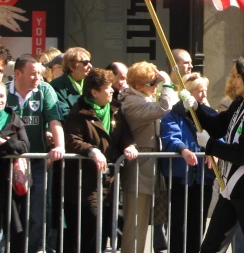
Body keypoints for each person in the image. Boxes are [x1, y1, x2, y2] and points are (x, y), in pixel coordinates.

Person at [189, 54, 244, 253]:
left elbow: (242, 154)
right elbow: (216, 126)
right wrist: (195, 108)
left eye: (238, 76)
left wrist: (210, 145)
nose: (233, 81)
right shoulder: (238, 105)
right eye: (233, 76)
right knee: (212, 245)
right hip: (230, 188)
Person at [63, 68, 138, 253]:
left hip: (109, 182)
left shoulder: (115, 109)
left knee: (104, 230)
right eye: (107, 88)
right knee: (88, 232)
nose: (112, 90)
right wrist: (92, 151)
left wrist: (129, 145)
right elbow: (73, 140)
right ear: (94, 92)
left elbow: (124, 135)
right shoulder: (79, 111)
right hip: (86, 183)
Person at [7, 54, 64, 253]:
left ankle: (35, 249)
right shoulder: (4, 91)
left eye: (39, 73)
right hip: (6, 162)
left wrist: (59, 146)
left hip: (37, 161)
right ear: (17, 73)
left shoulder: (44, 90)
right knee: (8, 211)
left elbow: (55, 120)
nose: (38, 78)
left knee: (37, 211)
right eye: (33, 74)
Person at [119, 61, 177, 253]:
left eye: (156, 83)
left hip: (149, 165)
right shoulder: (132, 102)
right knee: (136, 223)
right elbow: (165, 107)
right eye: (152, 83)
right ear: (137, 86)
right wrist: (168, 83)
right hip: (139, 167)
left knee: (144, 221)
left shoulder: (142, 98)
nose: (155, 87)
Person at [159, 71, 215, 253]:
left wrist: (216, 151)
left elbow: (220, 134)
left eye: (205, 90)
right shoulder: (173, 115)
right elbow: (170, 136)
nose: (204, 95)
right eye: (200, 91)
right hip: (180, 178)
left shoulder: (209, 114)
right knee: (178, 225)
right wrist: (183, 149)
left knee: (198, 225)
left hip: (203, 178)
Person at [0, 81, 30, 253]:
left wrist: (4, 142)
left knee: (13, 230)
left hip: (11, 185)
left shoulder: (14, 119)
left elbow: (25, 147)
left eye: (2, 96)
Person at [51, 47, 92, 121]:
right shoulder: (56, 86)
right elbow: (65, 115)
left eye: (90, 62)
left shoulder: (92, 84)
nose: (90, 66)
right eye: (85, 63)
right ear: (72, 67)